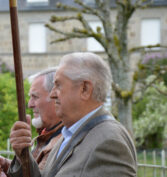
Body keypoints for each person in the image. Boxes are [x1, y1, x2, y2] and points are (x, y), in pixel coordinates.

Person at [8, 52, 137, 177]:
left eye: (58, 85)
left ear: (84, 89)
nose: (52, 94)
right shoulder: (68, 135)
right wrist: (23, 157)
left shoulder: (109, 141)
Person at [0, 68, 63, 177]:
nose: (30, 104)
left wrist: (22, 156)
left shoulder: (66, 140)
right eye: (30, 97)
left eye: (35, 97)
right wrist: (7, 166)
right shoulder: (46, 135)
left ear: (55, 96)